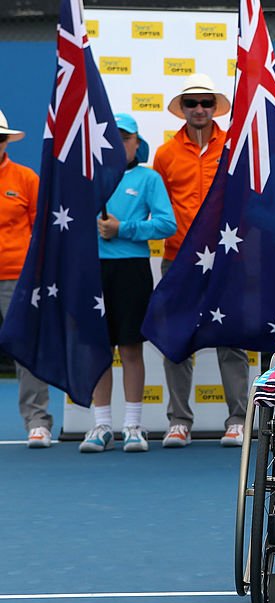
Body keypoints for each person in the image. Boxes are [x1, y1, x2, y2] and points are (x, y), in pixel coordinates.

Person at [152, 73, 249, 448]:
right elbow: (159, 206)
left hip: (226, 259)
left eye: (206, 103)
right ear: (182, 108)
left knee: (232, 340)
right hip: (178, 259)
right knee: (176, 337)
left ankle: (238, 419)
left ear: (215, 107)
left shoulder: (234, 147)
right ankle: (178, 420)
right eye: (191, 103)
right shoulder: (165, 154)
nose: (199, 109)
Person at [79, 115, 176, 453]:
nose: (119, 144)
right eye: (112, 138)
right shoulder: (86, 179)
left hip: (132, 270)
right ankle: (101, 425)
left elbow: (166, 224)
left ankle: (133, 424)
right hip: (93, 271)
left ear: (137, 143)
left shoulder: (148, 178)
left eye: (125, 138)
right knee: (99, 349)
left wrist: (124, 229)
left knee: (131, 348)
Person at [0, 109, 53, 448]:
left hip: (16, 278)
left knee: (25, 349)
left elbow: (41, 232)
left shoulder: (26, 178)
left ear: (6, 141)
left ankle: (37, 421)